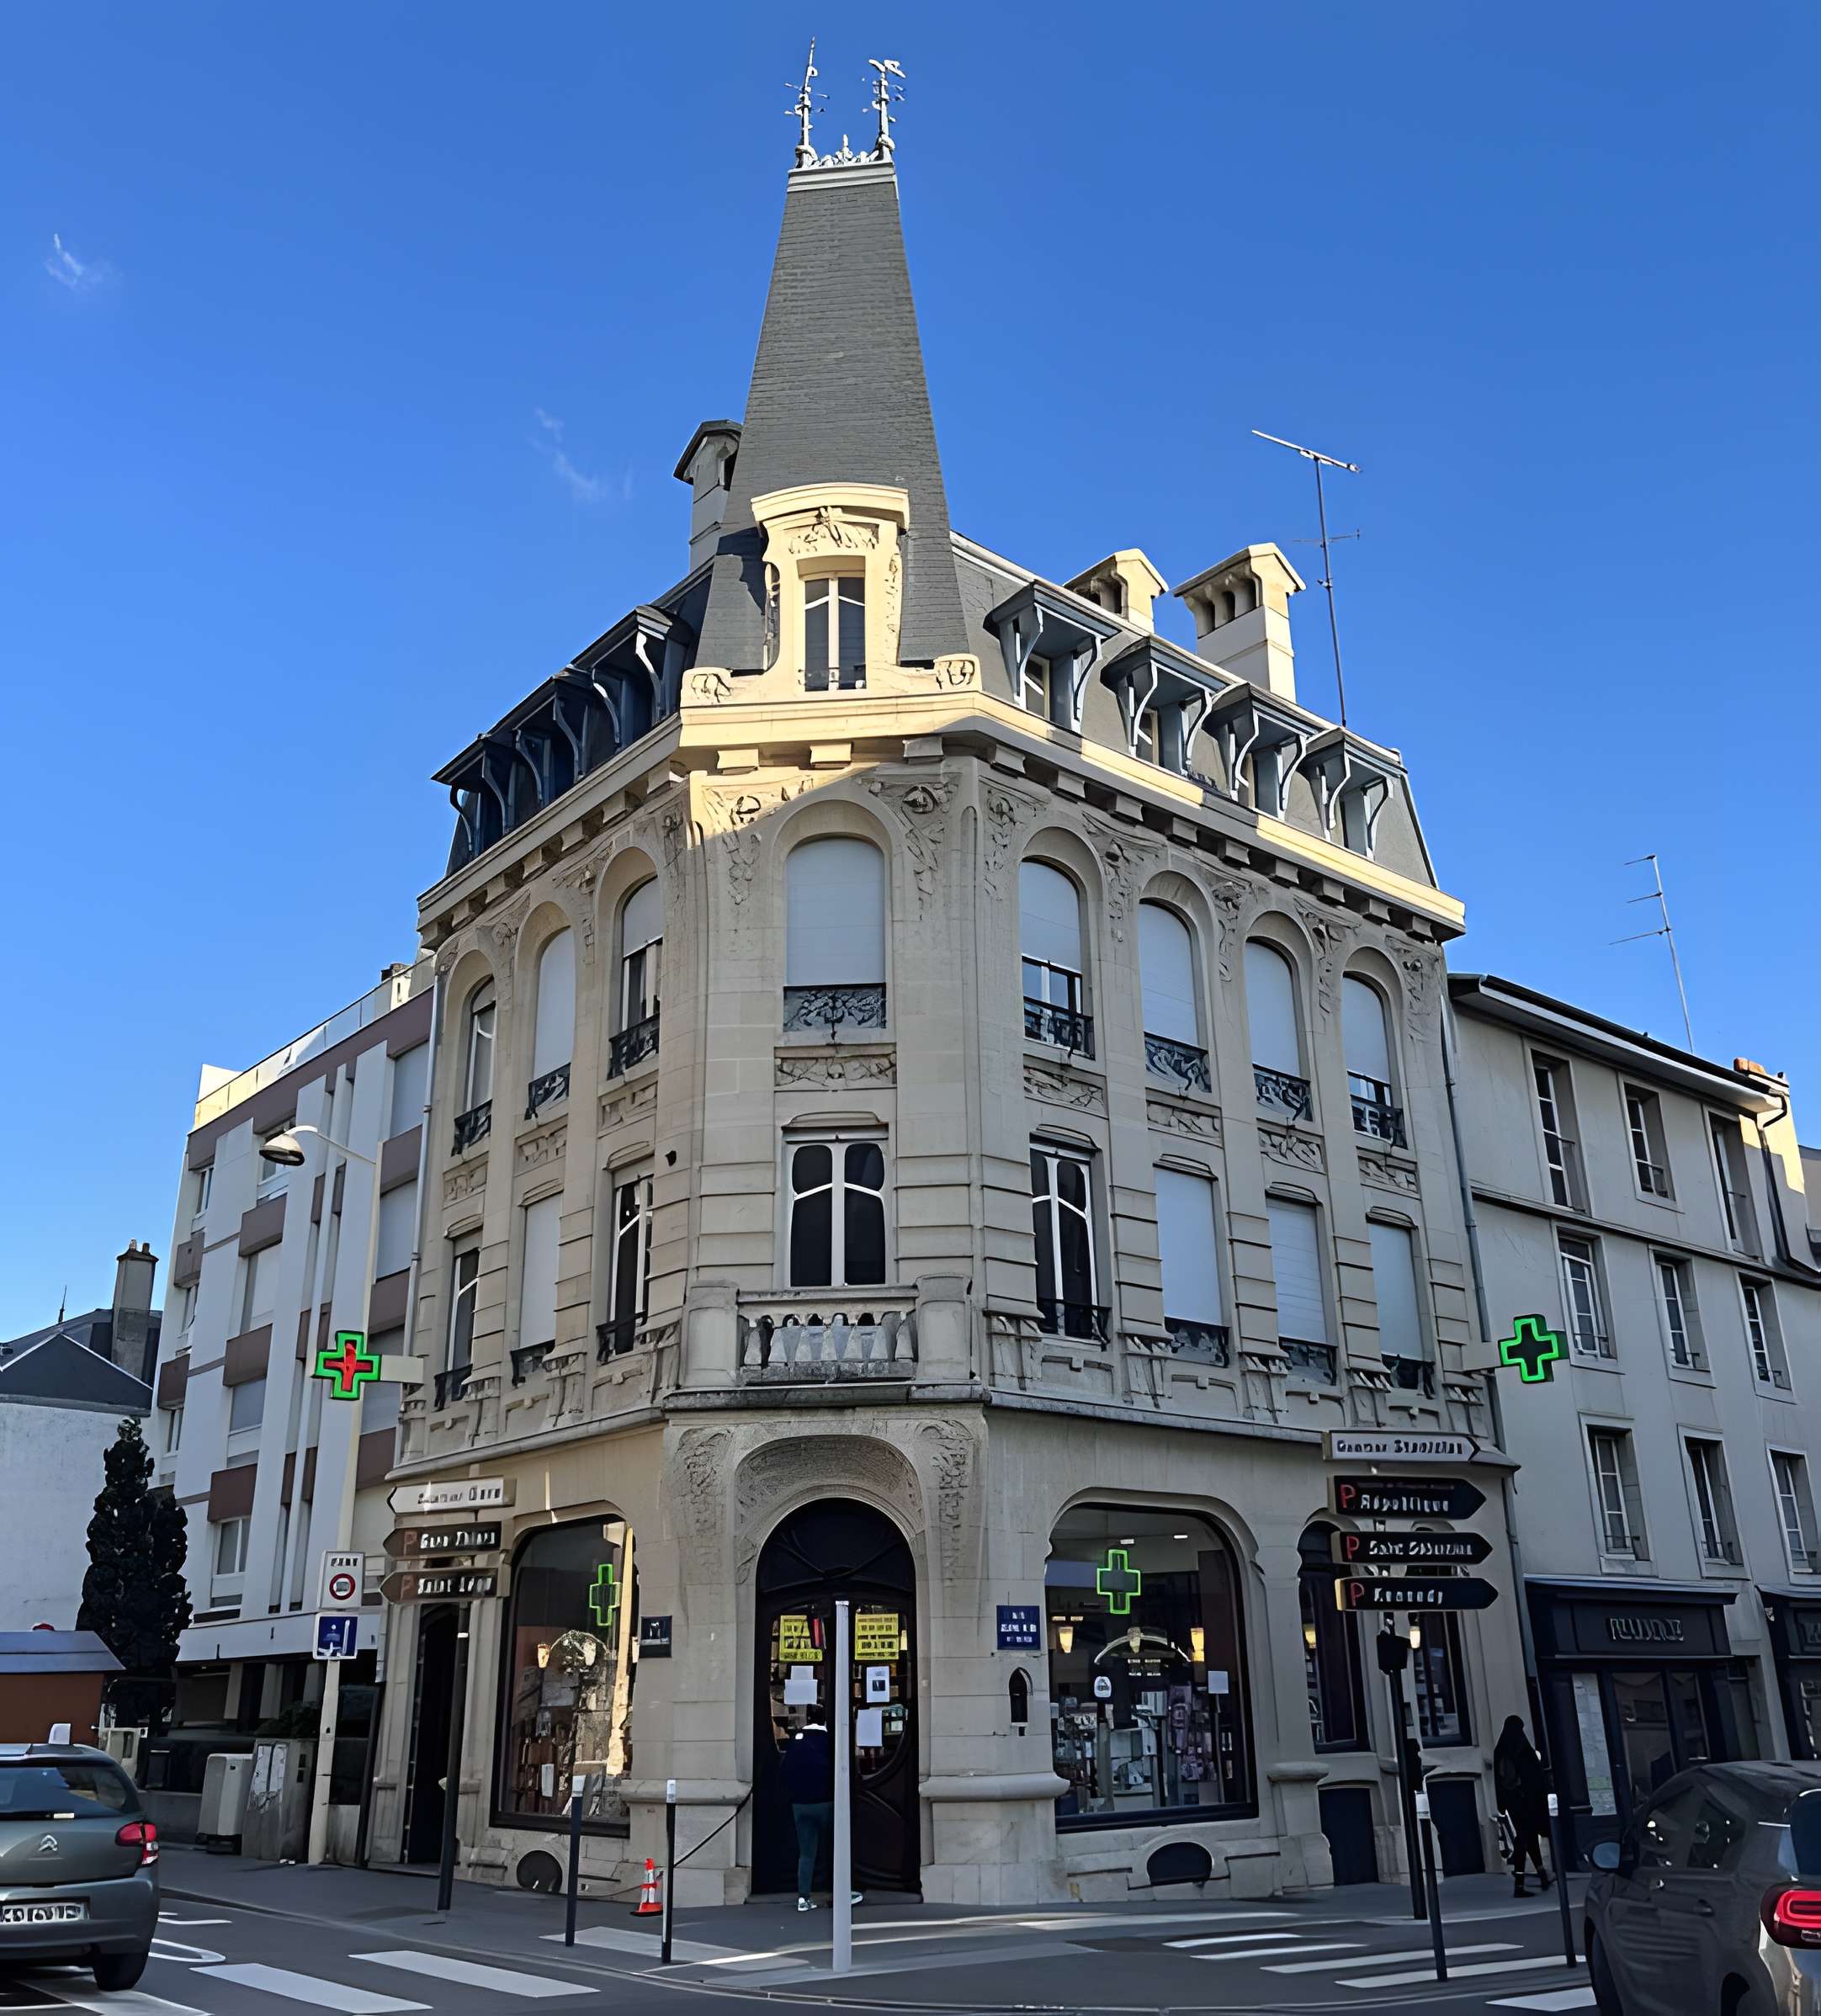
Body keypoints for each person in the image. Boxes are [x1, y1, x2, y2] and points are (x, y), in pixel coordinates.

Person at [778, 1718, 862, 1912]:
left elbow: (784, 1771)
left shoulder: (796, 1743)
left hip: (800, 1805)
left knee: (806, 1854)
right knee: (839, 1849)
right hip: (827, 1803)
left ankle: (803, 1898)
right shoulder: (829, 1741)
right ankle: (844, 1892)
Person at [1494, 1715, 1553, 1897]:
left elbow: (1499, 1779)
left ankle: (1541, 1874)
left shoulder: (1500, 1749)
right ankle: (1520, 1884)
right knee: (1525, 1839)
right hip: (1528, 1800)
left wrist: (1502, 1804)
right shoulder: (1521, 1748)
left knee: (1527, 1837)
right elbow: (1534, 1777)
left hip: (1513, 1803)